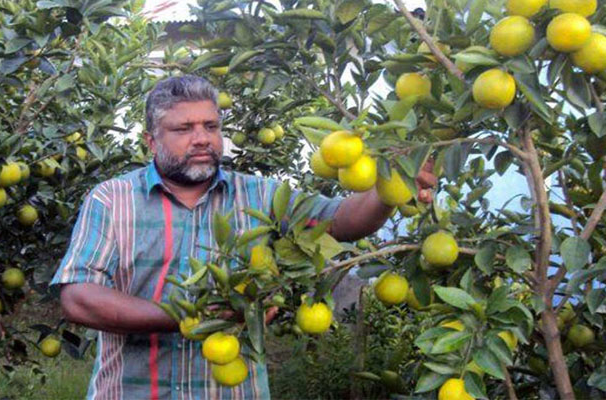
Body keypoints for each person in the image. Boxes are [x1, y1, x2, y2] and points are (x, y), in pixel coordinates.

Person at [50, 75, 437, 400]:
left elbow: (341, 221)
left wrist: (393, 185)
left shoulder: (260, 196)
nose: (201, 138)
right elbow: (79, 297)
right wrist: (187, 317)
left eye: (211, 127)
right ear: (151, 141)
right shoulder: (111, 199)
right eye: (184, 129)